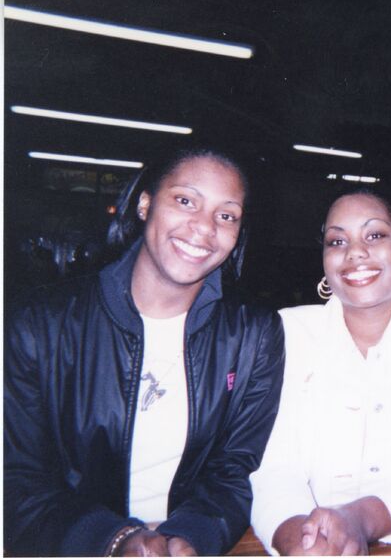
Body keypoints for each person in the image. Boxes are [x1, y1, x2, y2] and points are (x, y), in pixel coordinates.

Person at [4, 148, 286, 556]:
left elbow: (237, 468)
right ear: (144, 204)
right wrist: (113, 539)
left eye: (227, 215)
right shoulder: (39, 324)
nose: (204, 227)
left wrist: (189, 537)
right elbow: (16, 478)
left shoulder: (253, 335)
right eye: (185, 200)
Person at [249, 187, 391, 555]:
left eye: (374, 235)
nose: (355, 252)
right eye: (337, 241)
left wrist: (360, 520)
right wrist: (301, 541)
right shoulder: (289, 331)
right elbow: (274, 468)